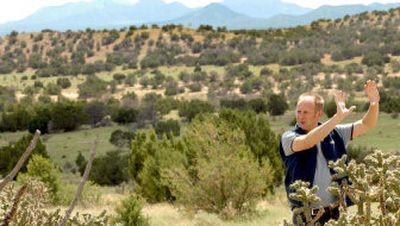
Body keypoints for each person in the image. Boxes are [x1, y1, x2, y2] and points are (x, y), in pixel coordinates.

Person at [280, 80, 380, 225]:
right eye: (299, 111)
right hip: (305, 215)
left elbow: (366, 124)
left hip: (334, 213)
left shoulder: (336, 133)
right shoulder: (289, 137)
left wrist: (374, 103)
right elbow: (308, 141)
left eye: (306, 112)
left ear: (318, 114)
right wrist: (337, 117)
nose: (301, 116)